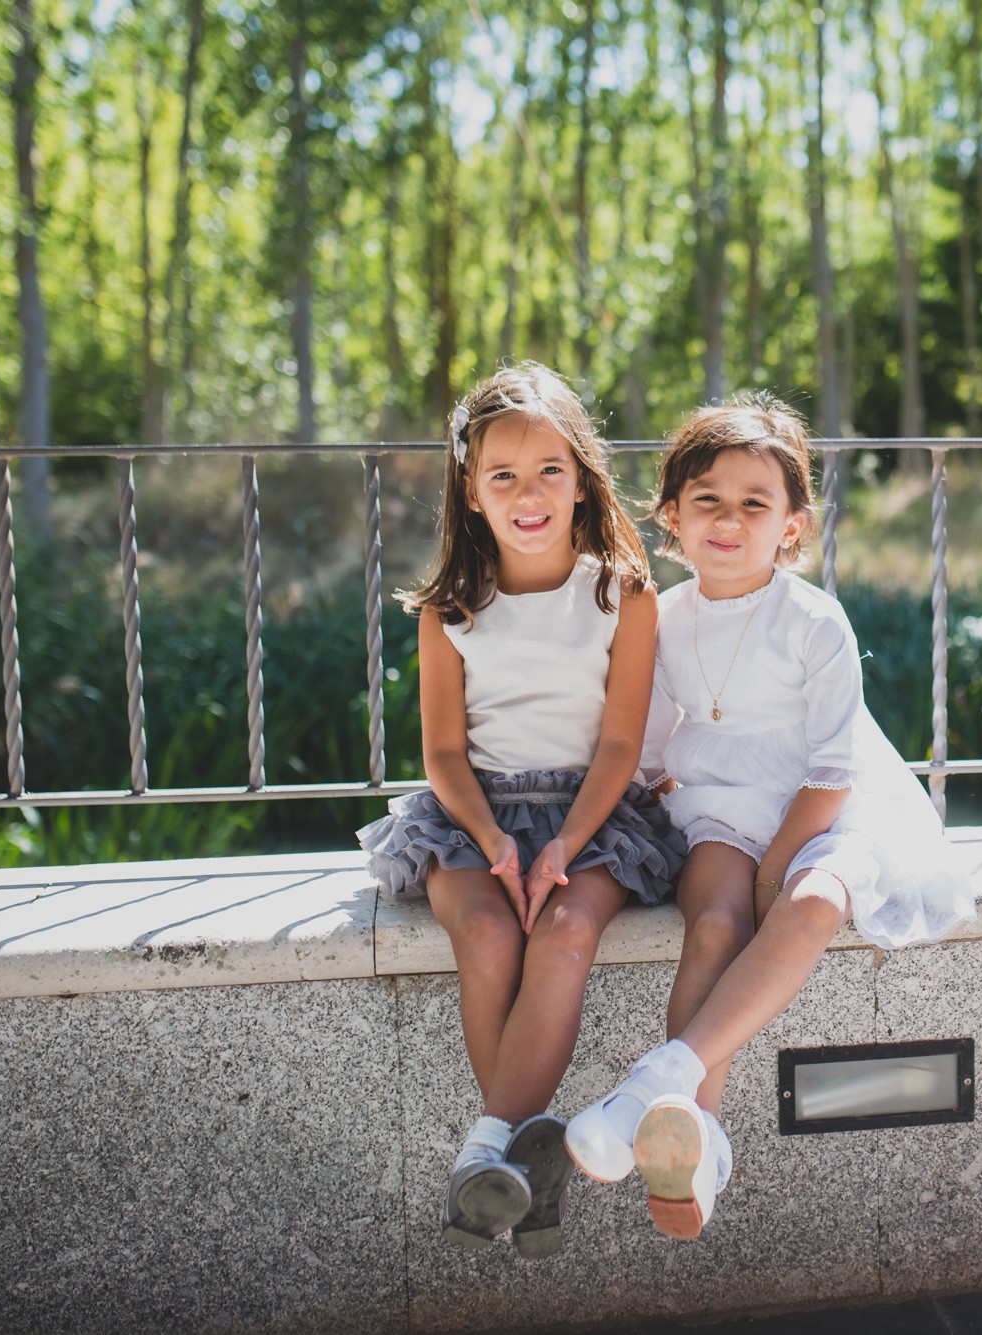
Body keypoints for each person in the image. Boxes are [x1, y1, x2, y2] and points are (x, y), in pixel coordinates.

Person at [564, 394, 975, 1239]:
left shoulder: (813, 620)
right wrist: (641, 799)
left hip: (827, 812)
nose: (729, 519)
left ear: (791, 523)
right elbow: (642, 743)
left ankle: (660, 1082)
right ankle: (698, 1139)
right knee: (714, 921)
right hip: (719, 811)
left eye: (756, 503)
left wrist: (775, 867)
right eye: (707, 500)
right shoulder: (665, 619)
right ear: (672, 515)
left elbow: (830, 775)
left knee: (815, 900)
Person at [357, 363, 683, 1257]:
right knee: (494, 935)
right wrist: (497, 841)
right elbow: (444, 754)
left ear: (582, 478)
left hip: (591, 813)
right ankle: (519, 1168)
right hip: (472, 815)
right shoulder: (450, 609)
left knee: (566, 931)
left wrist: (561, 846)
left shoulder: (623, 592)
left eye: (549, 470)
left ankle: (486, 1155)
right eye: (502, 474)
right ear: (470, 489)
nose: (527, 493)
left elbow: (620, 747)